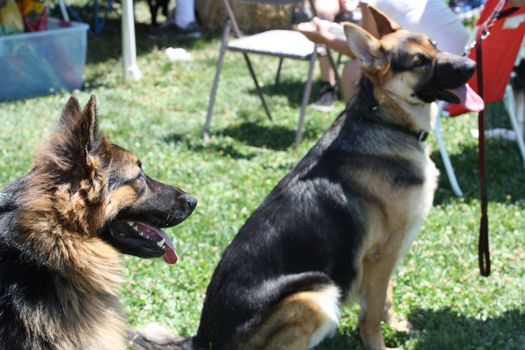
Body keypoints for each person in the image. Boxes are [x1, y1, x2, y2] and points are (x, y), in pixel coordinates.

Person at [297, 0, 470, 102]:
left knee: (352, 70)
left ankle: (366, 137)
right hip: (468, 65)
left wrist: (324, 38)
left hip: (444, 79)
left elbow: (370, 55)